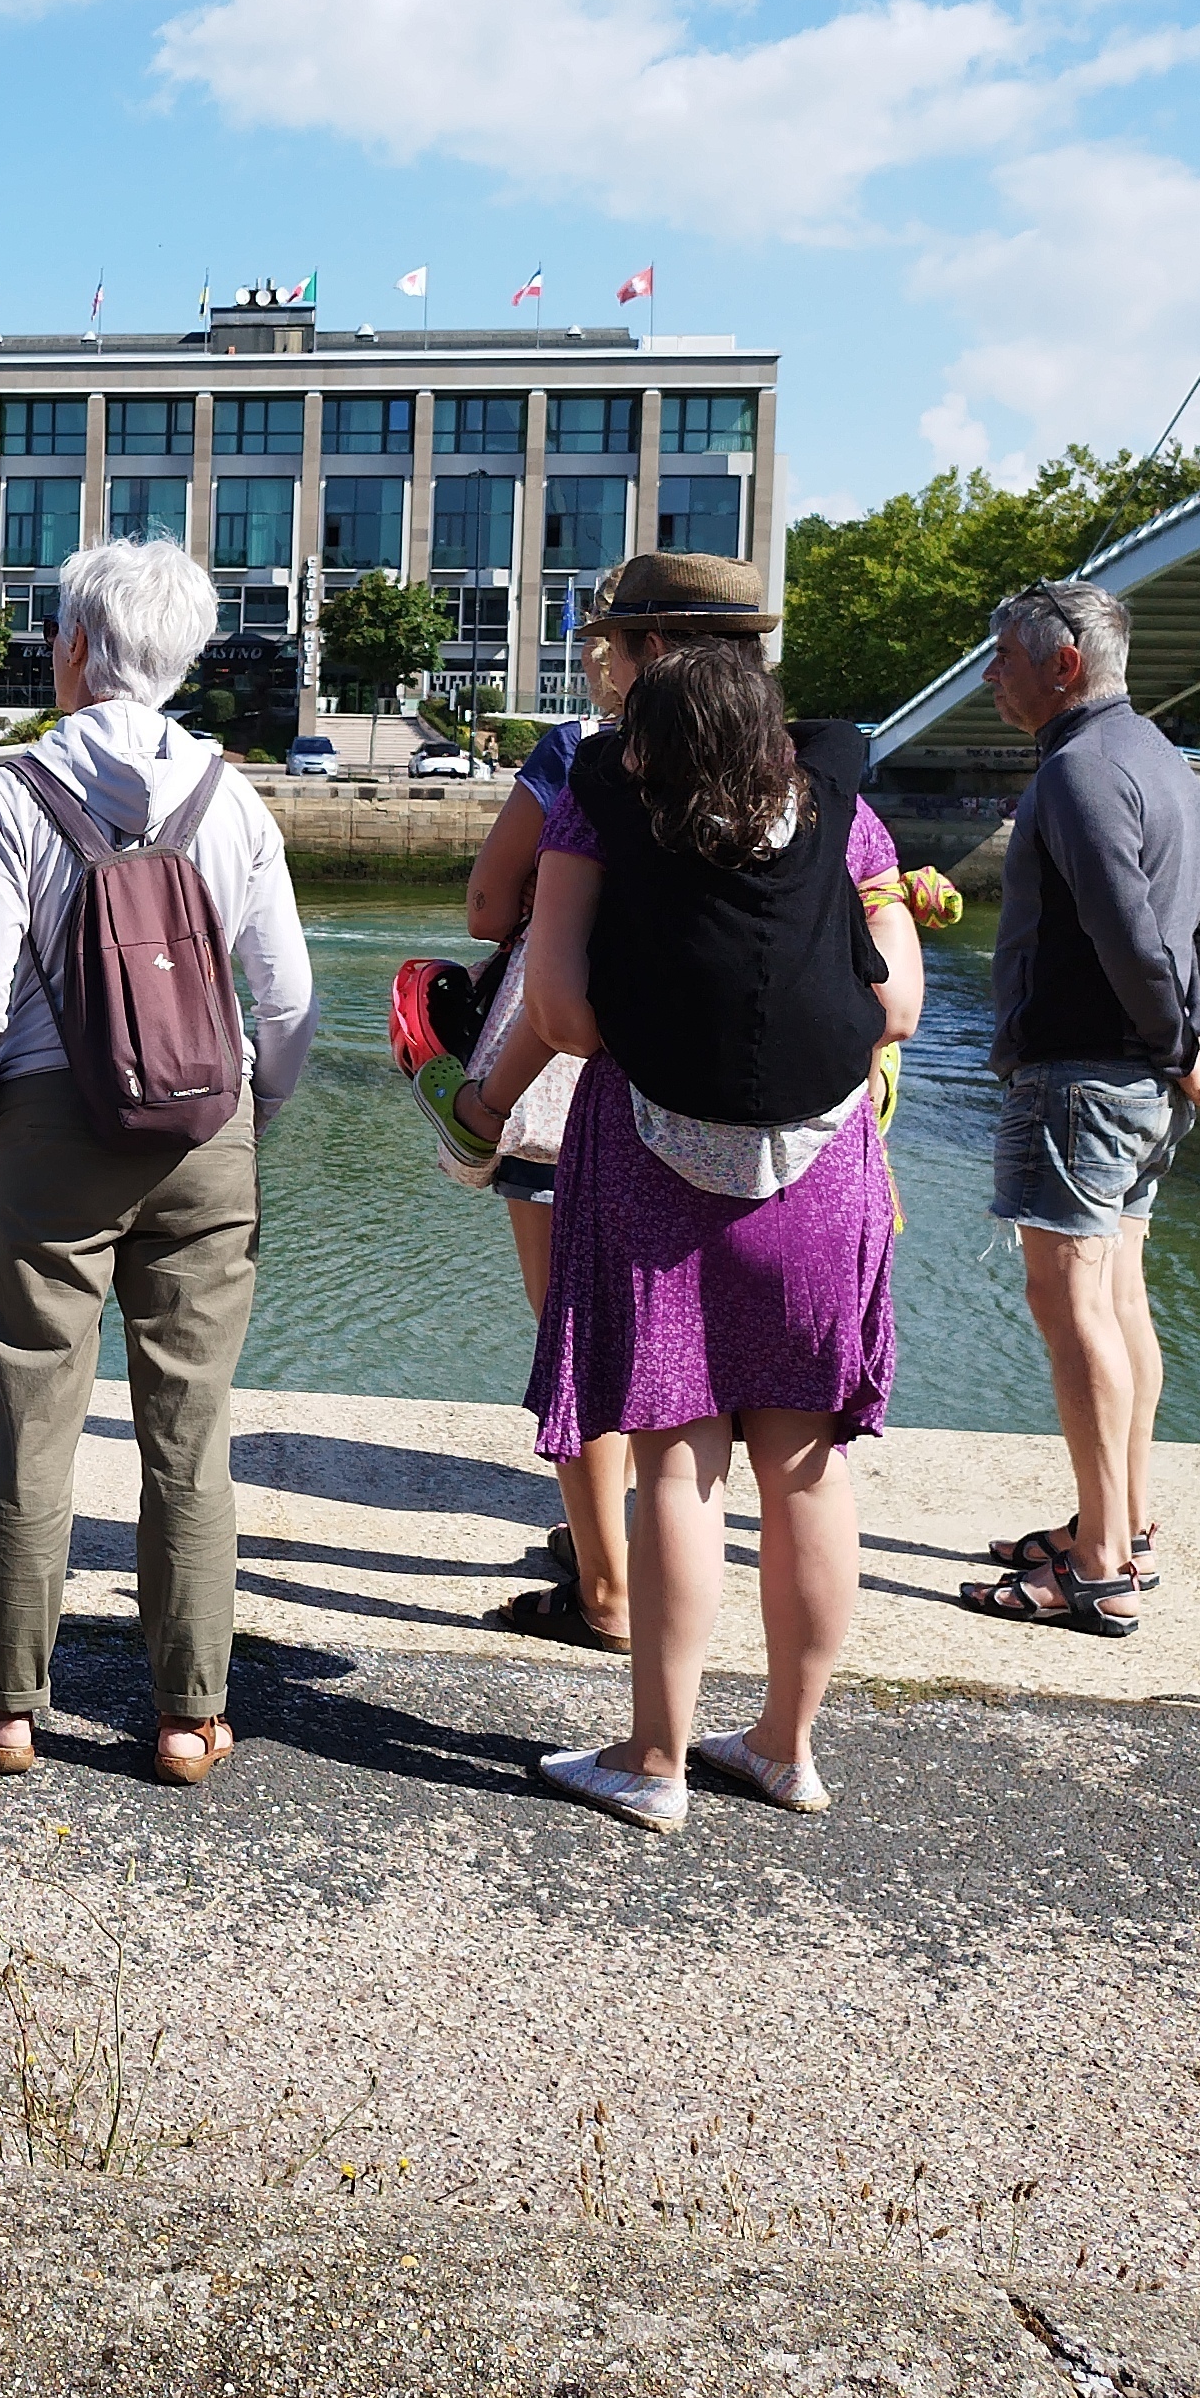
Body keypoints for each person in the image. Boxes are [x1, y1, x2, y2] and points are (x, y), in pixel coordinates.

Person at [486, 552, 925, 1832]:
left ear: (656, 654)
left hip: (659, 1163)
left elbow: (560, 1011)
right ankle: (786, 1747)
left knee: (676, 1469)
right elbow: (895, 1003)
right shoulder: (840, 802)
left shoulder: (595, 797)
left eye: (613, 646)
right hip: (824, 1164)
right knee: (806, 1466)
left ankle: (656, 1760)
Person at [0, 537, 318, 1786]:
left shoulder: (15, 791)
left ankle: (5, 1709)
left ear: (80, 650)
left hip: (49, 1130)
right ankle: (189, 1716)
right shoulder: (235, 797)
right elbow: (290, 997)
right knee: (188, 1427)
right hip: (209, 1133)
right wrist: (259, 1107)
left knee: (31, 1418)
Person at [966, 578, 1200, 1640]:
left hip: (1084, 1073)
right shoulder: (1163, 762)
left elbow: (1131, 934)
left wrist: (1181, 1040)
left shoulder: (1080, 770)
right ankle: (1120, 1518)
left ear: (1064, 665)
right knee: (1120, 1295)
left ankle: (1096, 1567)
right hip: (1141, 1076)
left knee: (1068, 1302)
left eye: (1003, 654)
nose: (991, 673)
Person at [446, 607, 633, 1653]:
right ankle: (644, 1550)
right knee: (664, 1334)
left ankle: (600, 1580)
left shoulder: (575, 753)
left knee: (571, 1326)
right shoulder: (774, 760)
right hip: (701, 1083)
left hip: (560, 1068)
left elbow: (484, 905)